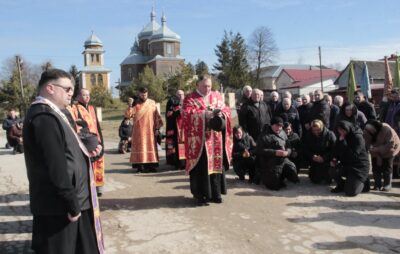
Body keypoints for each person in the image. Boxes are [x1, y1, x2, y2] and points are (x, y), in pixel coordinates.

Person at [23, 69, 103, 254]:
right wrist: (72, 204)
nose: (71, 94)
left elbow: (68, 149)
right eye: (67, 89)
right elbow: (55, 166)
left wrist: (89, 153)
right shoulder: (44, 117)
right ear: (50, 88)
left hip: (73, 203)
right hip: (60, 208)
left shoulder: (56, 113)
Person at [183, 74, 233, 206]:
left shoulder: (216, 96)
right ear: (197, 85)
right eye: (205, 86)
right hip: (199, 141)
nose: (207, 88)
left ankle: (216, 193)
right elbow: (186, 114)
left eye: (209, 86)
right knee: (201, 167)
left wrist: (222, 114)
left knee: (216, 165)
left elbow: (227, 109)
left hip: (215, 139)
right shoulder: (190, 98)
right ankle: (201, 195)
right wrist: (204, 114)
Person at [70, 89, 105, 196]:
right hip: (85, 142)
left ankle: (98, 187)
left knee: (98, 162)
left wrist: (101, 140)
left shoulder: (91, 108)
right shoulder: (75, 108)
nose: (87, 97)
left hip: (96, 140)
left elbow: (97, 125)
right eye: (84, 95)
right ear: (78, 96)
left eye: (88, 95)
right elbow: (75, 125)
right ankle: (88, 187)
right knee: (86, 164)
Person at [125, 87, 163, 173]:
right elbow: (128, 116)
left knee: (151, 147)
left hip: (150, 129)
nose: (144, 96)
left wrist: (157, 128)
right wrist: (130, 105)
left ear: (147, 94)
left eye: (145, 94)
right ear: (139, 94)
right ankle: (140, 167)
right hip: (139, 131)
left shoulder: (152, 103)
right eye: (142, 95)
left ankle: (151, 166)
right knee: (140, 148)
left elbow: (156, 116)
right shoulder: (135, 104)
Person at [256, 117, 299, 190]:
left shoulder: (283, 133)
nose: (279, 128)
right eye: (277, 125)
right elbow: (259, 150)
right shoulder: (264, 135)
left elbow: (288, 145)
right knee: (274, 185)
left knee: (292, 169)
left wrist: (287, 152)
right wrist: (275, 153)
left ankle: (282, 177)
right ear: (272, 125)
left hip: (283, 159)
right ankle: (267, 178)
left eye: (280, 126)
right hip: (269, 162)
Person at [330, 120, 370, 196]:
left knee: (350, 192)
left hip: (359, 167)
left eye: (343, 130)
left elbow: (353, 155)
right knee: (332, 170)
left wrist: (343, 143)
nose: (341, 132)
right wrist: (334, 159)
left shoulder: (358, 137)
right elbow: (336, 150)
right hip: (346, 164)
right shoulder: (341, 137)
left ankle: (363, 182)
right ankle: (341, 185)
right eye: (339, 130)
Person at [363, 120, 400, 191]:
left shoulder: (386, 129)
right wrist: (375, 152)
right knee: (375, 166)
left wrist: (378, 150)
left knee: (387, 166)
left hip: (391, 149)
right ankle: (377, 185)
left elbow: (390, 144)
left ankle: (387, 184)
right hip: (375, 150)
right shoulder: (367, 131)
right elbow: (367, 143)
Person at [303, 119, 336, 184]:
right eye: (314, 130)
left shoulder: (329, 134)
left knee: (327, 180)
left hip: (327, 159)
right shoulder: (308, 135)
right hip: (315, 158)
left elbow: (335, 150)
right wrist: (312, 156)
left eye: (318, 130)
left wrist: (324, 158)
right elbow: (305, 149)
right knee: (315, 180)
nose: (316, 132)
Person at [165, 90, 186, 170]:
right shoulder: (171, 102)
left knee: (185, 145)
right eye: (179, 94)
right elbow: (169, 114)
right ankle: (177, 163)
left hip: (184, 128)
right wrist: (178, 112)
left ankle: (185, 163)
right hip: (175, 128)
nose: (181, 96)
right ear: (176, 95)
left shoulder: (187, 102)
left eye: (182, 94)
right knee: (175, 146)